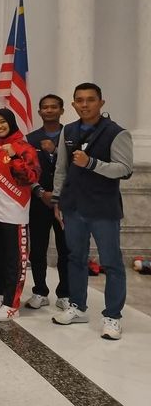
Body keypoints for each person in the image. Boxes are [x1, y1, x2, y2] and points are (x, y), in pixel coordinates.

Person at [52, 83, 133, 340]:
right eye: (79, 100)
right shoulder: (69, 130)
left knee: (112, 263)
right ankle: (78, 306)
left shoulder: (117, 133)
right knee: (76, 258)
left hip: (103, 209)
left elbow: (125, 169)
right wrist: (57, 200)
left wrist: (92, 163)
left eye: (90, 100)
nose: (85, 104)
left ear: (101, 102)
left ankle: (112, 317)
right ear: (74, 104)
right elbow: (62, 169)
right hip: (73, 206)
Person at [0, 109, 39, 322]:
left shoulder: (24, 147)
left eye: (3, 122)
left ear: (11, 123)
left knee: (15, 260)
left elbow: (30, 176)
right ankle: (2, 294)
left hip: (14, 214)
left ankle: (12, 304)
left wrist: (14, 156)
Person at [25, 95, 70, 310]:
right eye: (45, 107)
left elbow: (77, 168)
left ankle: (65, 293)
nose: (49, 110)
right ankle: (40, 290)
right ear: (39, 112)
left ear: (62, 110)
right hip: (39, 201)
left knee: (66, 249)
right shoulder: (30, 138)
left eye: (54, 107)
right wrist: (39, 191)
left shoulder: (72, 136)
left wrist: (55, 151)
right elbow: (25, 171)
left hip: (67, 203)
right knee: (38, 249)